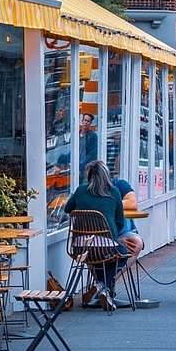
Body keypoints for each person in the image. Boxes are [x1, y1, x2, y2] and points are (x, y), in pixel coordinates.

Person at [65, 159, 129, 309]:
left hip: (81, 247)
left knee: (99, 257)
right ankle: (102, 286)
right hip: (106, 247)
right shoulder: (114, 192)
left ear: (89, 176)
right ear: (106, 175)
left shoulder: (81, 190)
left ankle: (101, 287)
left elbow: (68, 209)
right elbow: (120, 221)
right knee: (122, 252)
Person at [78, 113, 99, 179]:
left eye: (88, 121)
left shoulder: (92, 136)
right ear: (82, 121)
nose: (86, 122)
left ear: (90, 123)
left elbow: (92, 154)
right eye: (85, 120)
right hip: (76, 168)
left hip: (86, 169)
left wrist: (82, 165)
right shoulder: (76, 135)